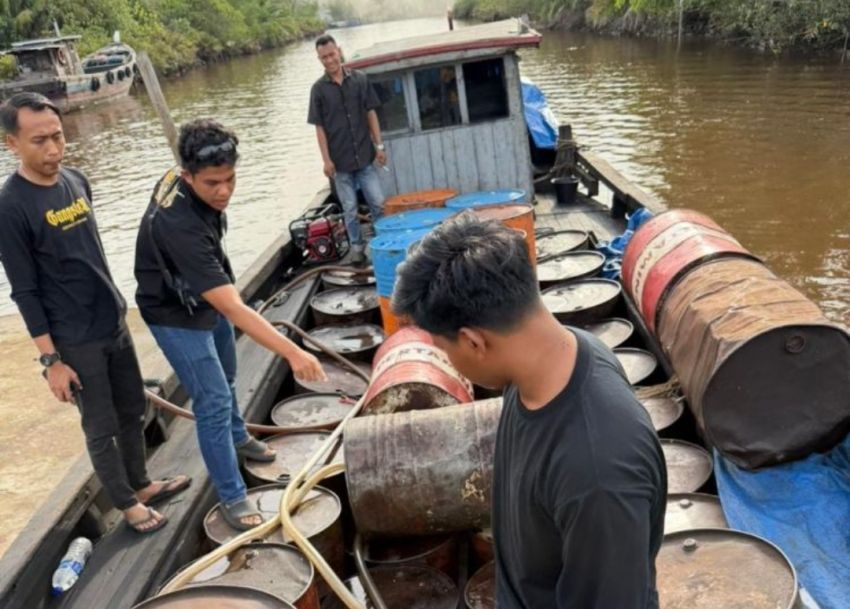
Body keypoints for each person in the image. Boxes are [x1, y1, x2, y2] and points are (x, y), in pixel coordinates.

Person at [392, 214, 667, 609]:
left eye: (443, 350)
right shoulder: (554, 358)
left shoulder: (597, 473)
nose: (449, 362)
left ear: (472, 342)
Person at [0, 92, 190, 535]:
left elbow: (89, 253)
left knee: (132, 408)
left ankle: (141, 484)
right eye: (39, 141)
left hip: (112, 321)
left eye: (58, 137)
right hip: (74, 337)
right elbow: (24, 290)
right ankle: (126, 503)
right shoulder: (10, 206)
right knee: (100, 424)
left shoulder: (76, 180)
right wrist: (52, 362)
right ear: (12, 144)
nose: (52, 149)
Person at [134, 119, 326, 531]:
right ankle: (233, 496)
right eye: (212, 183)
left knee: (230, 373)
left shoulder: (183, 175)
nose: (224, 191)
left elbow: (226, 303)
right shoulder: (179, 226)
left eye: (230, 179)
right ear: (187, 176)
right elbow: (237, 309)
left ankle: (238, 437)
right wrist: (293, 352)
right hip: (173, 313)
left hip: (203, 294)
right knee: (213, 400)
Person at [308, 33, 386, 264]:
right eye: (323, 57)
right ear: (319, 59)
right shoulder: (318, 90)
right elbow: (319, 128)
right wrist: (326, 160)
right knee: (350, 208)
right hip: (340, 162)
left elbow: (370, 113)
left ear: (338, 51)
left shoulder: (360, 79)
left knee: (378, 202)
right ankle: (357, 247)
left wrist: (379, 146)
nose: (329, 60)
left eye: (332, 54)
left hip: (364, 155)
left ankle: (382, 242)